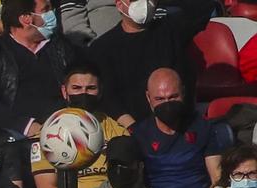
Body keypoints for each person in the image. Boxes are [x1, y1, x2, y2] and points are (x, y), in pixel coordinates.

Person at [0, 0, 81, 141]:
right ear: (26, 18)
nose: (52, 13)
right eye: (46, 9)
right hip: (15, 138)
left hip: (66, 129)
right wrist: (26, 126)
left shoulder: (64, 48)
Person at [88, 0, 207, 130]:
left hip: (180, 124)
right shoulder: (103, 48)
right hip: (133, 130)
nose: (143, 2)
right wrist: (136, 130)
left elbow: (204, 7)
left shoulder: (172, 29)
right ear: (119, 4)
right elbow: (110, 99)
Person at [30, 63, 128, 188]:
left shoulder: (118, 132)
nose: (84, 94)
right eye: (76, 88)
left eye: (91, 88)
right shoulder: (47, 133)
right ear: (64, 91)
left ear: (100, 91)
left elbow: (128, 184)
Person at [137, 67, 227, 188]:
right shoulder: (140, 135)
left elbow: (216, 178)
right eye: (159, 99)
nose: (167, 103)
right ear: (148, 97)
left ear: (183, 92)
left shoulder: (203, 127)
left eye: (173, 97)